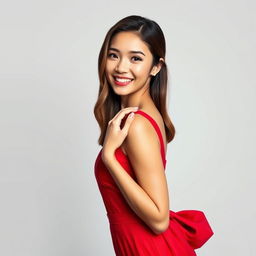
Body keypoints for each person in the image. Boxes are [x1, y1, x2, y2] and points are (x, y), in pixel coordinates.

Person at [94, 15, 214, 256]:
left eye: (135, 58)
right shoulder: (140, 116)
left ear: (156, 67)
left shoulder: (137, 124)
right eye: (113, 55)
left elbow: (159, 220)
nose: (121, 67)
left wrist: (109, 157)